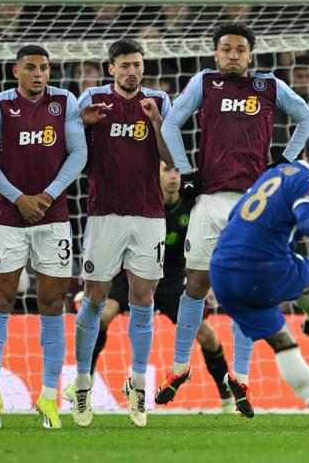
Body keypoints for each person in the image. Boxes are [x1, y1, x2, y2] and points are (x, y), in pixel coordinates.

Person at [155, 22, 309, 412]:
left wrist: (284, 162)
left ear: (250, 55)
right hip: (209, 199)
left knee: (247, 288)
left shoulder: (269, 87)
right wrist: (185, 170)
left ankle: (240, 375)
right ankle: (180, 367)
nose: (232, 55)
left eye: (239, 49)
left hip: (252, 203)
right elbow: (171, 123)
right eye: (226, 48)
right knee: (195, 285)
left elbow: (308, 119)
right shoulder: (205, 83)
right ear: (216, 53)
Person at [210, 130, 309, 444]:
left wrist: (290, 234)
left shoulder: (278, 171)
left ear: (305, 152)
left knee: (284, 342)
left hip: (222, 271)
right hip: (258, 270)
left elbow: (236, 214)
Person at [0, 45, 86, 429]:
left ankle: (49, 397)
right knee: (0, 298)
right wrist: (20, 199)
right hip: (9, 218)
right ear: (15, 70)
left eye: (44, 68)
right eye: (31, 68)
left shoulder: (65, 100)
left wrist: (46, 196)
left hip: (53, 218)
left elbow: (78, 154)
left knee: (53, 301)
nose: (39, 74)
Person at [62, 161, 234, 412]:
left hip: (172, 281)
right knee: (103, 316)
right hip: (130, 274)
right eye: (166, 170)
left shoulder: (191, 204)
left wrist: (206, 280)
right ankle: (81, 381)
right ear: (156, 174)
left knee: (207, 335)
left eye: (177, 171)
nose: (174, 176)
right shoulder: (143, 203)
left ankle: (227, 397)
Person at [71, 38, 173, 428]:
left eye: (138, 64)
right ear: (110, 68)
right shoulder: (92, 99)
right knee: (95, 297)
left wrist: (156, 122)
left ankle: (138, 385)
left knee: (143, 298)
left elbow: (171, 159)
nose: (133, 71)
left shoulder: (159, 101)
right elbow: (70, 150)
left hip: (148, 215)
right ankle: (82, 385)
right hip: (104, 214)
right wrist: (83, 124)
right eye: (125, 65)